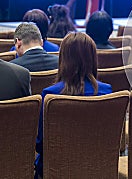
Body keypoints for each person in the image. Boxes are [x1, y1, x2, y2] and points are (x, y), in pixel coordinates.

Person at [34, 32, 112, 178]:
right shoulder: (106, 91)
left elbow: (40, 144)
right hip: (96, 168)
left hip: (56, 170)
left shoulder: (50, 94)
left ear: (63, 58)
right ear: (92, 58)